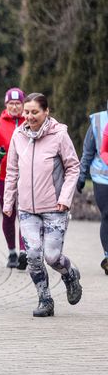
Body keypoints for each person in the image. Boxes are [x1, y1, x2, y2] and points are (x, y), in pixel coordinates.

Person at [3, 93, 82, 317]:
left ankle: (69, 274)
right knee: (33, 256)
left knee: (52, 256)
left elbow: (73, 167)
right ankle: (44, 299)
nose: (29, 116)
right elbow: (12, 171)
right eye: (26, 112)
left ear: (46, 112)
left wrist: (65, 198)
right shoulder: (18, 135)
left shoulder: (59, 134)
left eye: (34, 112)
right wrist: (9, 202)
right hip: (27, 209)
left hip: (55, 207)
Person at [0, 88, 27, 269]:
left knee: (25, 214)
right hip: (4, 176)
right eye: (11, 103)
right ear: (6, 105)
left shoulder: (30, 121)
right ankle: (12, 252)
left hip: (27, 175)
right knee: (8, 214)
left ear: (23, 105)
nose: (15, 107)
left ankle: (25, 252)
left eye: (18, 104)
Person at [78, 105, 108, 275]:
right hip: (102, 178)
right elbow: (88, 151)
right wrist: (82, 176)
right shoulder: (97, 120)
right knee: (107, 215)